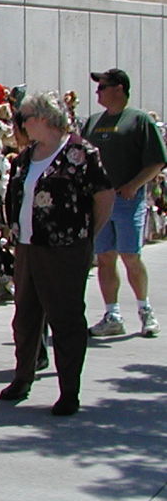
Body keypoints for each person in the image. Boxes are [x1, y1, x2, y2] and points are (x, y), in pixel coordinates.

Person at [2, 91, 113, 416]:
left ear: (43, 118)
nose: (21, 124)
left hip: (64, 248)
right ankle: (22, 378)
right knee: (26, 317)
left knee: (65, 319)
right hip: (27, 246)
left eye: (25, 117)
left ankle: (69, 391)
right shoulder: (26, 156)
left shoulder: (81, 153)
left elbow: (103, 196)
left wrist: (86, 236)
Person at [80, 68, 167, 338]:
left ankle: (145, 311)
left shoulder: (139, 120)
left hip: (128, 201)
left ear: (119, 88)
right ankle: (112, 315)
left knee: (130, 256)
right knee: (105, 258)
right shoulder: (93, 122)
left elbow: (157, 161)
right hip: (100, 202)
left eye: (103, 87)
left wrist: (134, 185)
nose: (98, 92)